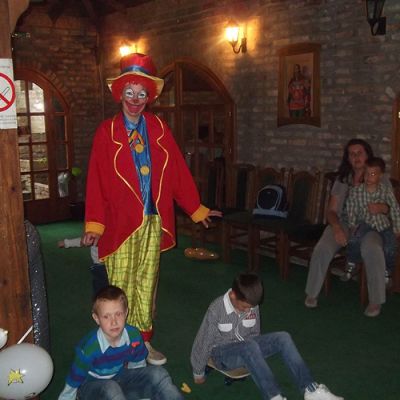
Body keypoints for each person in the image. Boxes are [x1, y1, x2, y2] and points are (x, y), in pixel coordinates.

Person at [82, 53, 222, 365]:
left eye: (141, 93)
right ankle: (117, 345)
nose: (135, 100)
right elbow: (96, 179)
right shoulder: (106, 132)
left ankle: (142, 343)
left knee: (146, 284)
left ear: (149, 97)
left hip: (152, 220)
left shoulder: (159, 128)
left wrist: (196, 208)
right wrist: (95, 223)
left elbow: (177, 173)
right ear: (120, 94)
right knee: (120, 288)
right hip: (120, 223)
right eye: (129, 92)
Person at [191, 272, 344, 400]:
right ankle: (274, 396)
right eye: (245, 307)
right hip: (222, 355)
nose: (248, 310)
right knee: (249, 345)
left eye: (251, 307)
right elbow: (203, 341)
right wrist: (198, 372)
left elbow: (255, 334)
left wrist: (253, 357)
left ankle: (311, 390)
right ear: (233, 295)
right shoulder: (216, 309)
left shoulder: (252, 305)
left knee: (283, 337)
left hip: (247, 348)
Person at [305, 139, 390, 317]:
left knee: (373, 249)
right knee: (323, 248)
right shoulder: (343, 179)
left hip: (370, 225)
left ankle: (376, 300)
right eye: (352, 154)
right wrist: (336, 228)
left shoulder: (380, 176)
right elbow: (331, 210)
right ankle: (312, 293)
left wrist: (382, 207)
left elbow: (391, 208)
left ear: (368, 154)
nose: (356, 157)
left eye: (360, 153)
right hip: (343, 223)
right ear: (347, 158)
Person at [58, 285, 184, 400]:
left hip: (119, 379)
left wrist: (142, 394)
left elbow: (138, 365)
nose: (113, 322)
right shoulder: (89, 348)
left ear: (126, 313)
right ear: (96, 318)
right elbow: (74, 380)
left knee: (159, 373)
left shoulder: (133, 336)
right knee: (111, 389)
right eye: (106, 316)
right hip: (90, 387)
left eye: (118, 314)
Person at [342, 157, 400, 283]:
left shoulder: (386, 191)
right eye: (366, 173)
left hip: (383, 225)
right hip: (365, 223)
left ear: (381, 175)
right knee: (354, 238)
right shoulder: (356, 191)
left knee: (391, 246)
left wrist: (397, 228)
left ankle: (387, 272)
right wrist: (352, 224)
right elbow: (351, 208)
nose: (368, 177)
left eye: (373, 174)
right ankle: (352, 263)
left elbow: (395, 209)